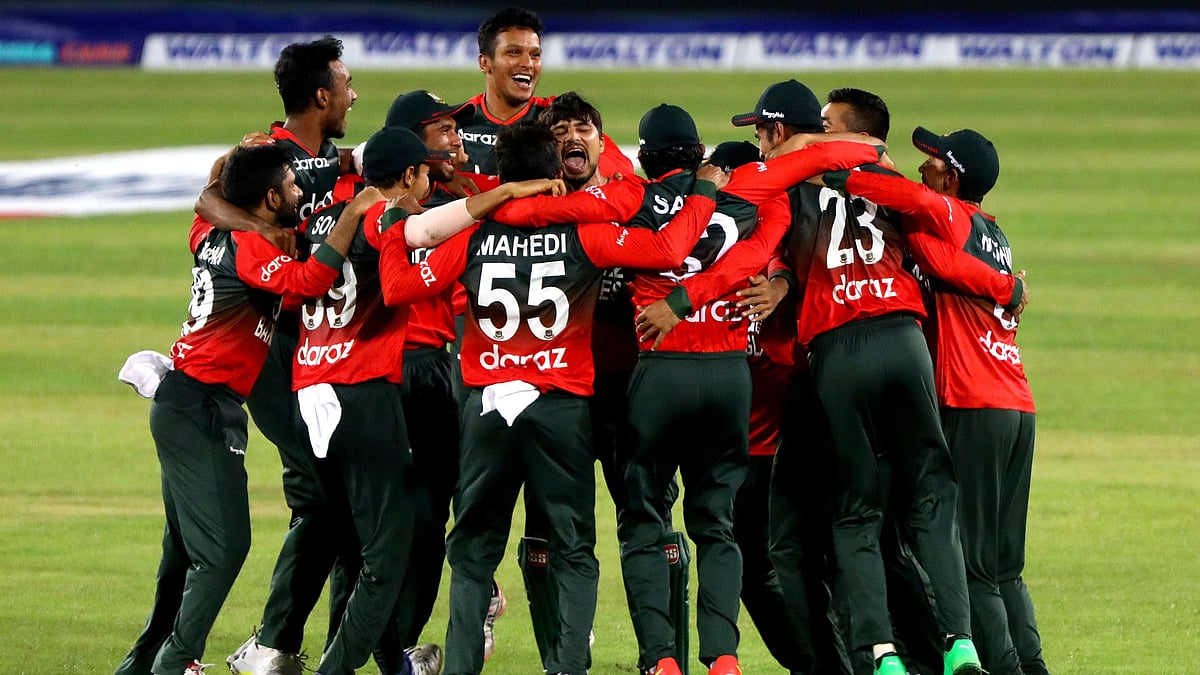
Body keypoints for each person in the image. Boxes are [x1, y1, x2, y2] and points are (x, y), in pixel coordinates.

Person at [493, 102, 883, 675]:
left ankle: (661, 660)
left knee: (644, 519)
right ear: (700, 155)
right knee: (717, 526)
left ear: (643, 156)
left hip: (651, 374)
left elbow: (530, 219)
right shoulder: (748, 187)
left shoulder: (627, 198)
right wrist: (858, 152)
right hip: (729, 377)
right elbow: (837, 155)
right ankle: (723, 658)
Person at [377, 121, 726, 675]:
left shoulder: (471, 234)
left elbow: (398, 288)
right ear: (553, 176)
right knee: (573, 549)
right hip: (560, 405)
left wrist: (397, 228)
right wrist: (704, 190)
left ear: (502, 178)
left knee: (471, 555)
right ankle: (568, 669)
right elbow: (669, 246)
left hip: (488, 405)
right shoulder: (586, 232)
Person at [732, 79, 985, 675]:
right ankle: (960, 642)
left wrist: (779, 278)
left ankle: (882, 652)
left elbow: (770, 241)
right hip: (903, 339)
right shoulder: (889, 180)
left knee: (854, 511)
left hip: (836, 350)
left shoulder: (789, 184)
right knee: (932, 495)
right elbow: (937, 241)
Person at [114, 143, 364, 675]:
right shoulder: (249, 248)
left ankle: (148, 664)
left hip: (189, 403)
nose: (301, 191)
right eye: (293, 186)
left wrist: (232, 163)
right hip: (202, 407)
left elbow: (207, 201)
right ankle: (174, 663)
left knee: (186, 548)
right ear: (271, 197)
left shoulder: (210, 235)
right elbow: (308, 281)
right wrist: (355, 213)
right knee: (225, 549)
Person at [822, 126, 1046, 675]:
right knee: (1004, 566)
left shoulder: (948, 213)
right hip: (1017, 404)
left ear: (952, 176)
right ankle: (1035, 667)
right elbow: (948, 266)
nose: (922, 168)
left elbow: (910, 202)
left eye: (932, 162)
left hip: (972, 401)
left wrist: (839, 170)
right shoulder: (993, 234)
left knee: (970, 566)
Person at [215, 36, 364, 675]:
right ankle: (276, 645)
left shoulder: (336, 158)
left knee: (345, 496)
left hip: (328, 349)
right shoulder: (261, 156)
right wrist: (257, 228)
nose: (356, 95)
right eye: (348, 84)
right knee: (322, 494)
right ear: (322, 94)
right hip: (275, 346)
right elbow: (206, 203)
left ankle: (326, 644)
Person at [455, 7, 633, 179]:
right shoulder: (456, 121)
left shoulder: (558, 116)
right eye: (514, 52)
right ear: (485, 63)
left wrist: (572, 170)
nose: (528, 63)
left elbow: (620, 166)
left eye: (535, 55)